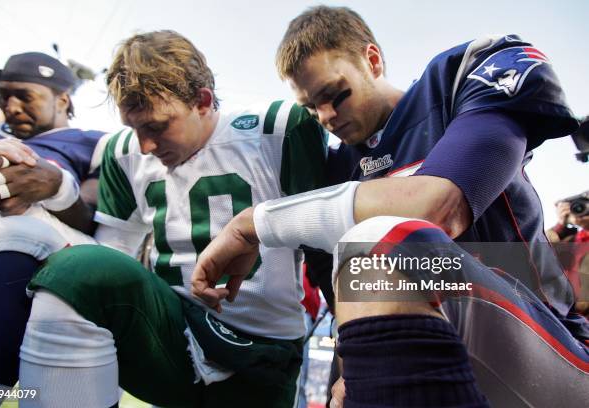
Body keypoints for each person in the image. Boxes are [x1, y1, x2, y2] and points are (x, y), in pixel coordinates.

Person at [192, 5, 589, 407]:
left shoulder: (457, 82)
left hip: (544, 344)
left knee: (378, 243)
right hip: (428, 344)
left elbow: (437, 206)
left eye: (335, 95)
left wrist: (254, 223)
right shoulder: (335, 168)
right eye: (313, 107)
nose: (327, 116)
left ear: (372, 60)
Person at [12, 30, 328, 408]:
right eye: (134, 127)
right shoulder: (123, 151)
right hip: (173, 329)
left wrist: (353, 342)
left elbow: (327, 244)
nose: (145, 145)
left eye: (157, 126)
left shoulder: (278, 128)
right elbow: (114, 256)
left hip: (264, 343)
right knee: (79, 270)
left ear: (202, 101)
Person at [0, 52, 106, 404]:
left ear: (62, 99)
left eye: (25, 96)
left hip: (20, 270)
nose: (12, 107)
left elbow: (97, 217)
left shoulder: (92, 142)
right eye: (4, 97)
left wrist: (55, 186)